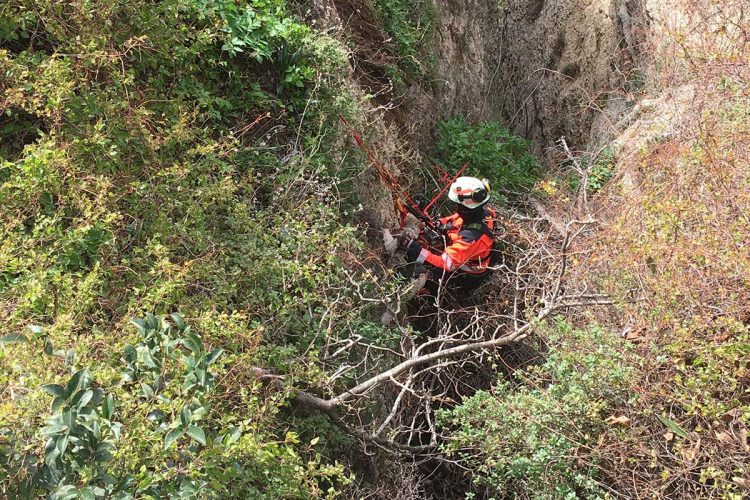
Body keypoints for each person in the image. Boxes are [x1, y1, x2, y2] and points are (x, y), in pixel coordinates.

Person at [388, 176, 496, 300]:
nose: (457, 208)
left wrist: (414, 249)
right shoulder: (483, 213)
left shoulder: (471, 239)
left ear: (466, 208)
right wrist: (441, 222)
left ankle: (428, 297)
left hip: (463, 277)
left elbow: (444, 265)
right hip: (464, 256)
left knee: (423, 273)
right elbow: (458, 218)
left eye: (458, 205)